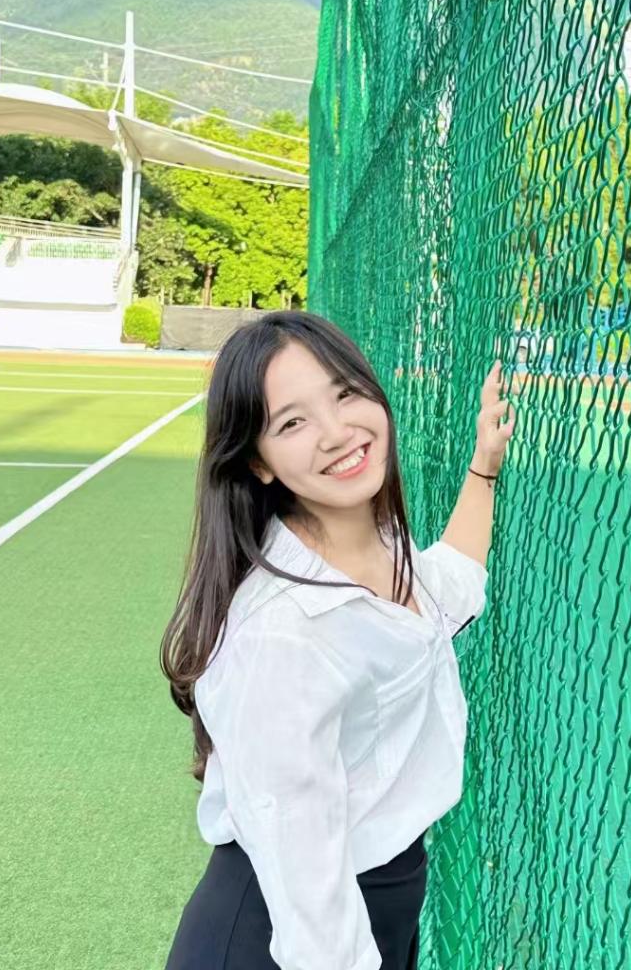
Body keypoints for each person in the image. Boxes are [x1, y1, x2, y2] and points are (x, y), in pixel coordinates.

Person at [160, 311, 516, 970]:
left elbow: (446, 591)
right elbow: (308, 895)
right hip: (285, 934)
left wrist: (483, 469)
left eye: (345, 393)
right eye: (292, 423)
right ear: (258, 462)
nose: (336, 432)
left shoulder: (376, 545)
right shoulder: (282, 635)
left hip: (378, 900)